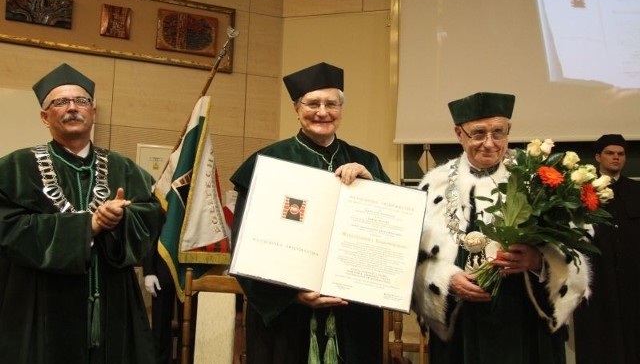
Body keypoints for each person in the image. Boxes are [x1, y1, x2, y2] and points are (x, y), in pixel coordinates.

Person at [0, 63, 163, 364]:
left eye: (81, 101)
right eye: (60, 102)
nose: (72, 108)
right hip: (39, 303)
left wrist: (120, 221)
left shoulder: (124, 169)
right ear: (44, 116)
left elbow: (150, 217)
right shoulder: (14, 169)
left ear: (93, 112)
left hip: (112, 301)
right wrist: (88, 225)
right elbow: (8, 228)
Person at [230, 62, 391, 363]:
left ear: (341, 110)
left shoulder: (366, 161)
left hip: (351, 311)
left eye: (331, 103)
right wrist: (291, 295)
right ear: (296, 108)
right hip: (285, 315)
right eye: (312, 103)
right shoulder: (268, 161)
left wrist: (373, 185)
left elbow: (389, 229)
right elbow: (242, 243)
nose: (322, 111)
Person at [412, 92, 590, 364]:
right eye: (479, 133)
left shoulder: (538, 178)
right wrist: (446, 280)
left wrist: (539, 261)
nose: (490, 143)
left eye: (499, 132)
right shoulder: (433, 186)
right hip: (463, 327)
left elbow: (575, 252)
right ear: (459, 133)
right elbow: (412, 260)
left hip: (526, 322)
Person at [573, 134, 640, 364]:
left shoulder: (636, 190)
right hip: (597, 278)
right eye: (610, 153)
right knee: (598, 335)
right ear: (598, 157)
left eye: (620, 154)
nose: (616, 158)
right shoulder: (580, 192)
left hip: (633, 278)